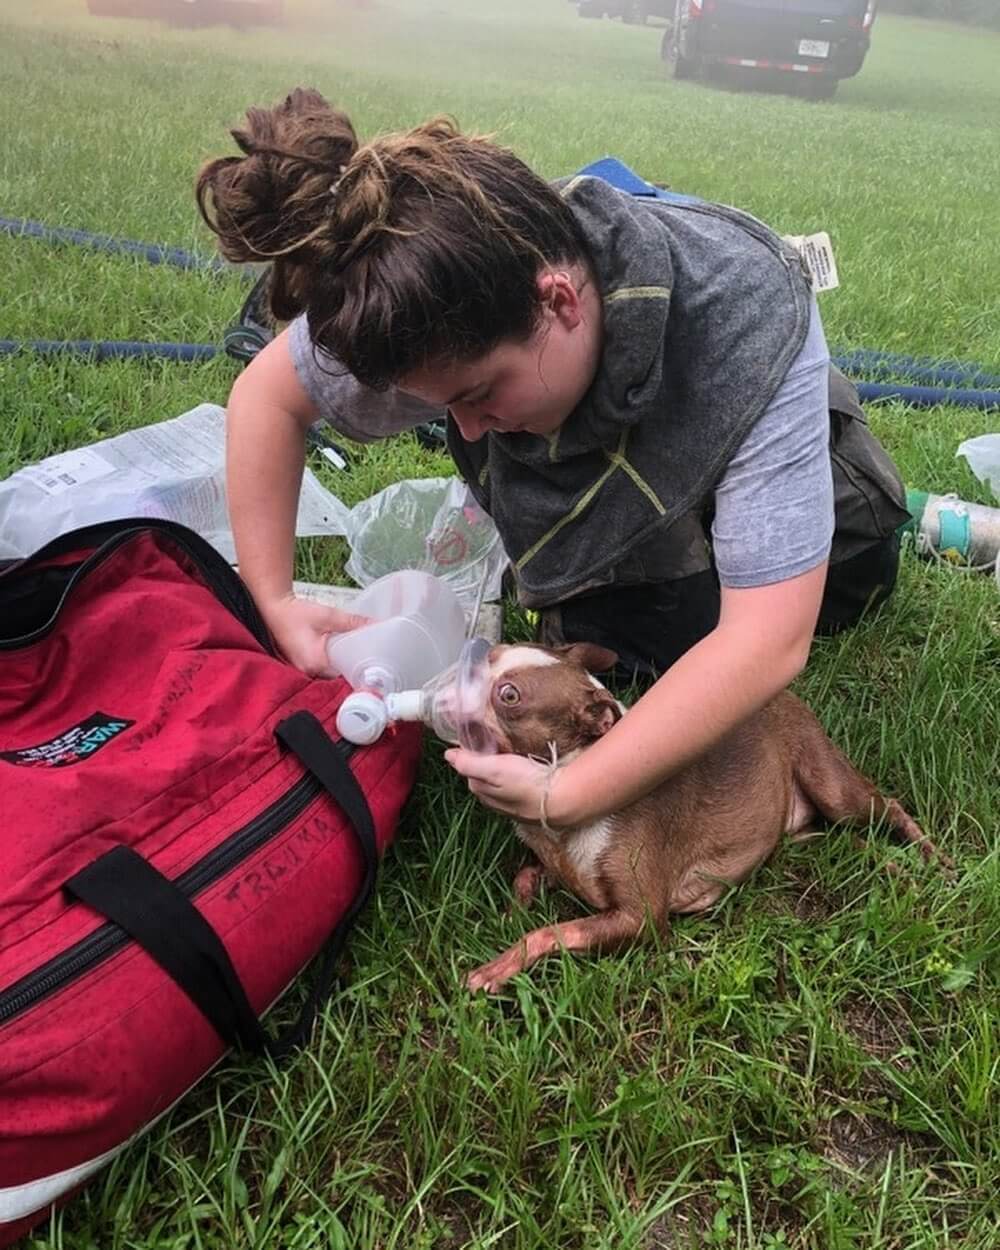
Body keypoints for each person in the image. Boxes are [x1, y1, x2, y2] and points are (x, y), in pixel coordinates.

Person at [196, 87, 909, 831]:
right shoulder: (416, 294)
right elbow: (266, 400)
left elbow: (767, 639)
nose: (466, 432)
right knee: (644, 643)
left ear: (560, 301)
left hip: (749, 414)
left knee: (852, 572)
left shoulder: (748, 316)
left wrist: (573, 790)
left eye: (479, 394)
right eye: (448, 406)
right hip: (603, 480)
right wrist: (273, 599)